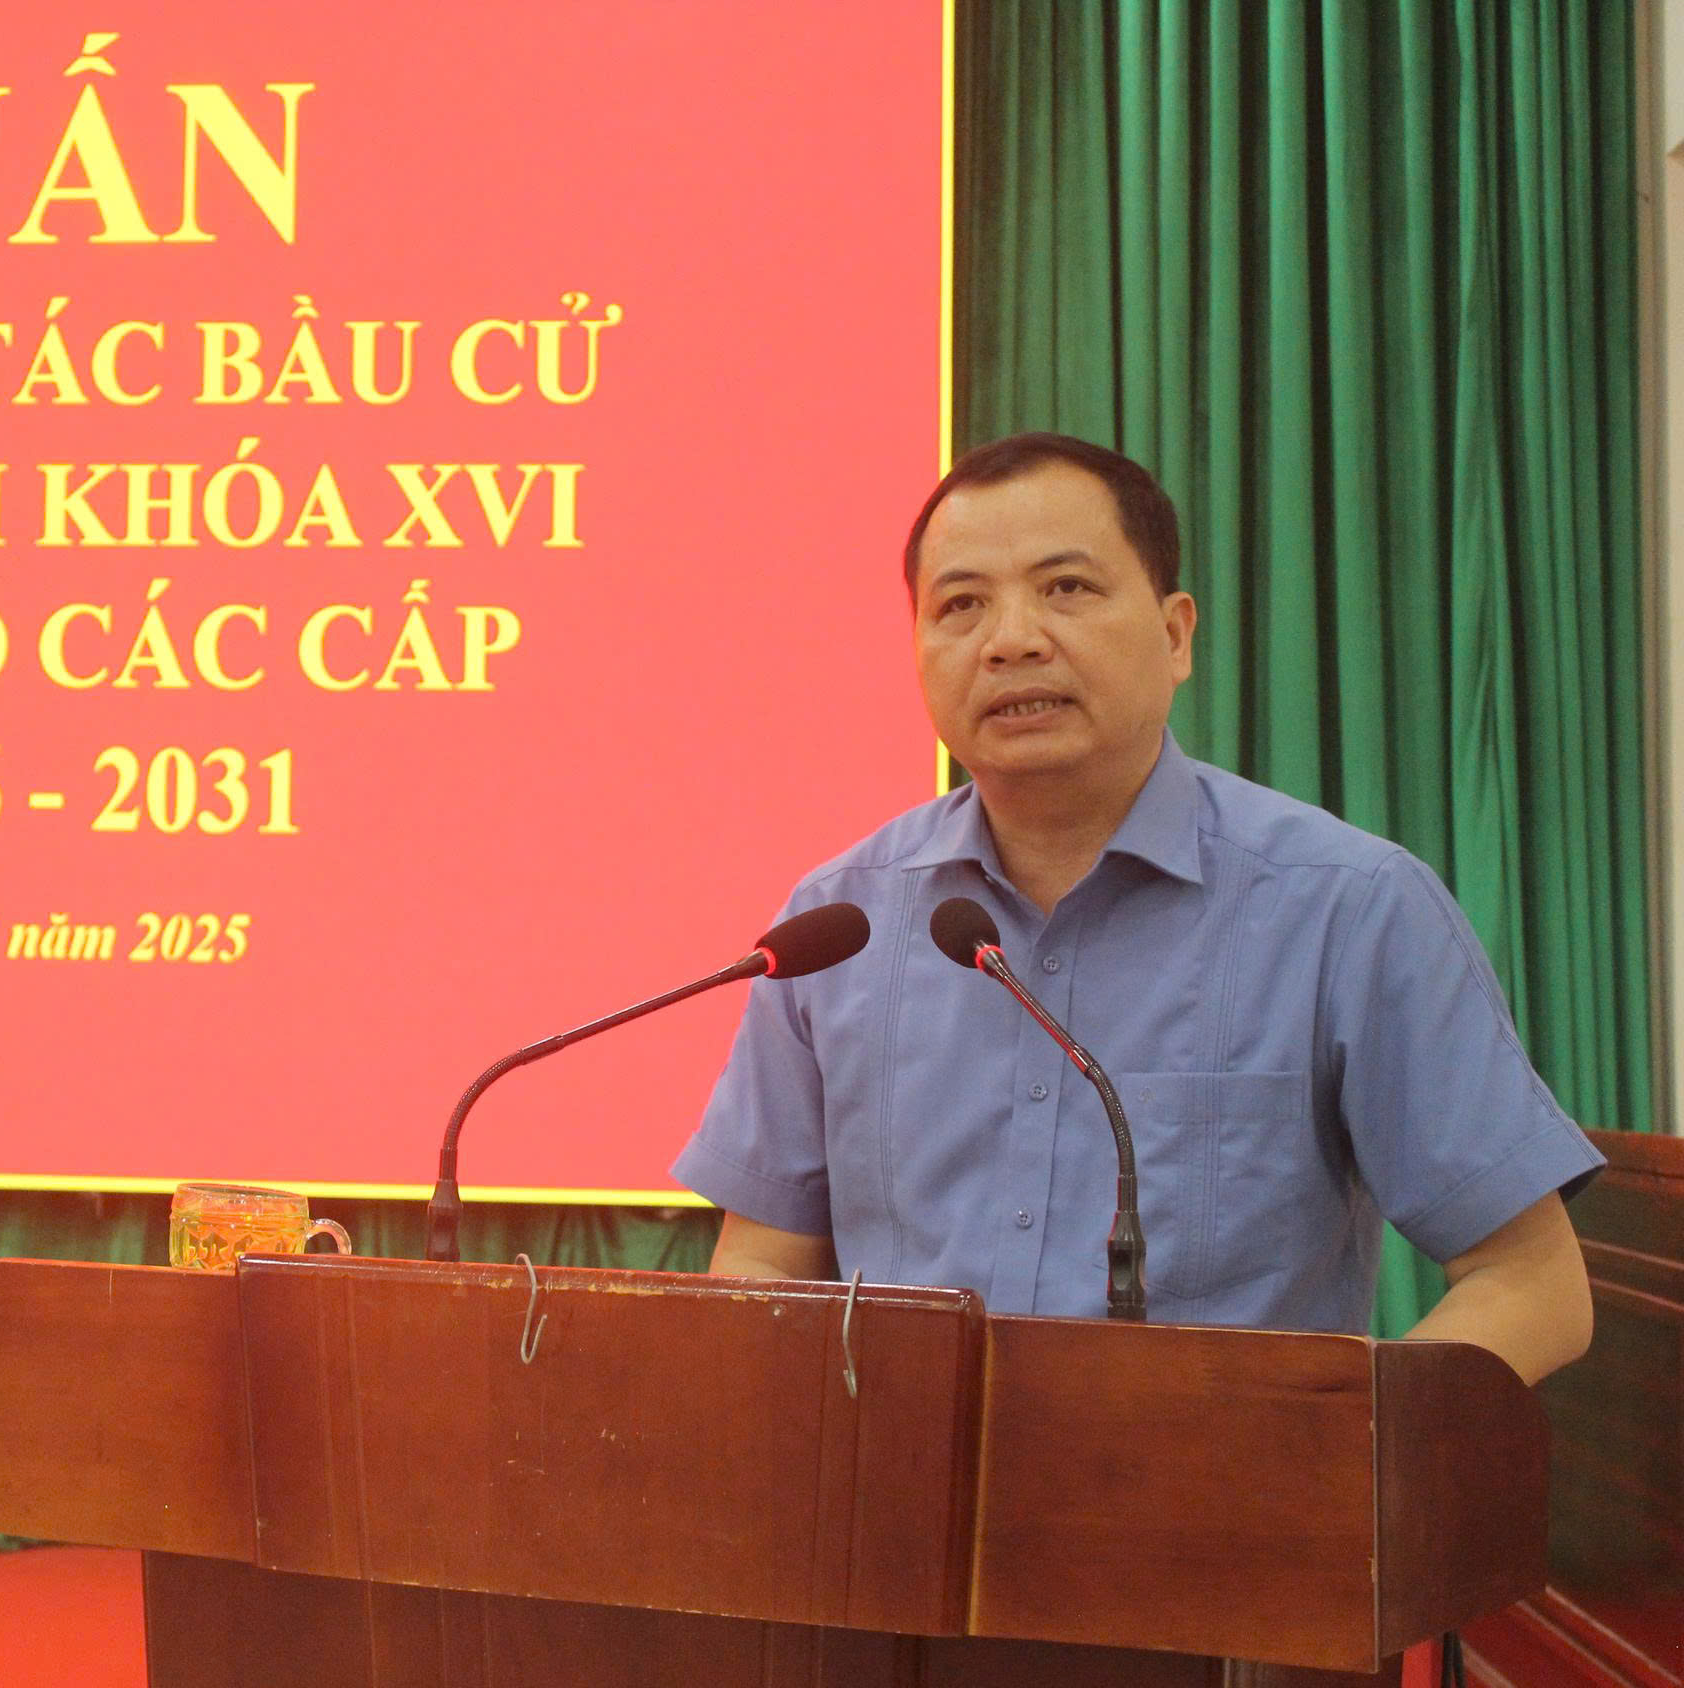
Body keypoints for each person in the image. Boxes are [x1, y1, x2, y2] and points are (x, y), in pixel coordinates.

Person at [673, 432, 1598, 1383]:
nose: (1012, 639)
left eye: (1066, 588)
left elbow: (1531, 1282)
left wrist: (1333, 1443)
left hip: (1223, 1476)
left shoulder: (1349, 910)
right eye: (961, 605)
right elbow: (763, 1263)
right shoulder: (839, 925)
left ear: (1175, 634)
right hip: (900, 1476)